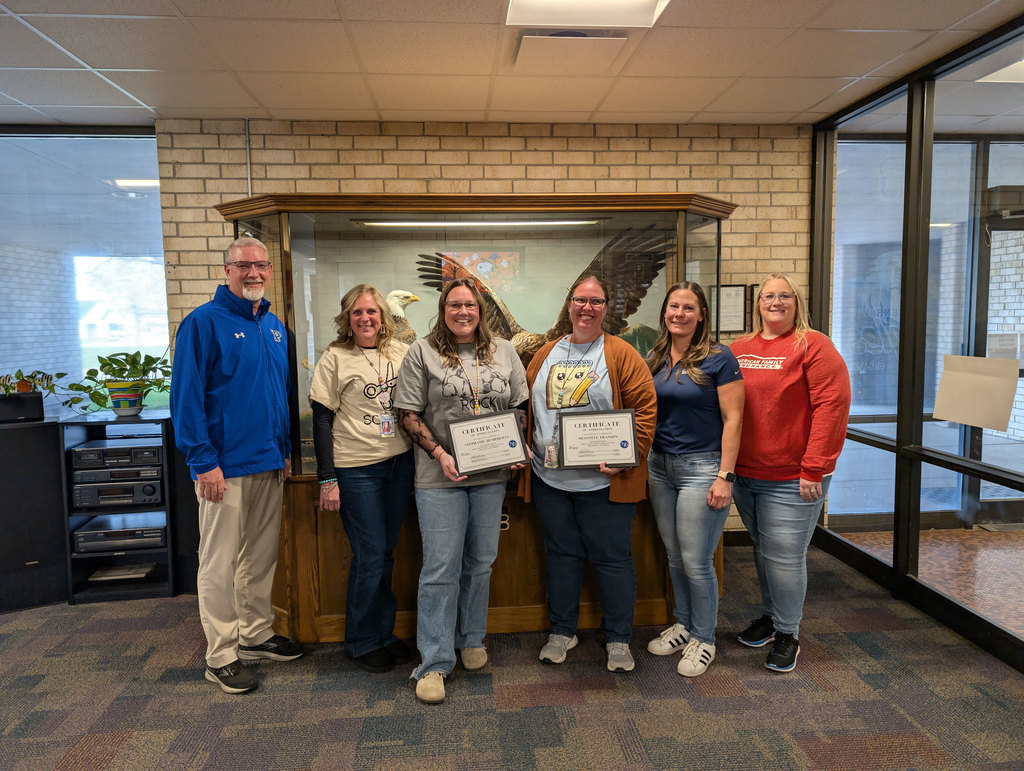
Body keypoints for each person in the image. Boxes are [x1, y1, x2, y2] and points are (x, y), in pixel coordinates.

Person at [171, 236, 304, 695]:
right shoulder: (202, 324)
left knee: (260, 555)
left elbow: (278, 396)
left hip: (269, 462)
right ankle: (221, 654)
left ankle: (255, 634)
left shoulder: (274, 326)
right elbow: (185, 400)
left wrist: (284, 448)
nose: (254, 273)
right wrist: (202, 460)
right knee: (220, 562)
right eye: (244, 266)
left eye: (261, 266)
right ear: (227, 269)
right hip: (222, 469)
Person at [392, 278, 529, 704]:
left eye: (470, 305)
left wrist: (516, 445)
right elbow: (408, 412)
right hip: (441, 477)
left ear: (480, 309)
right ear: (443, 308)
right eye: (455, 305)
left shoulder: (504, 351)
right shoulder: (422, 351)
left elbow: (519, 406)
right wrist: (438, 453)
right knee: (440, 567)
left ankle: (471, 639)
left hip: (491, 477)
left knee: (481, 562)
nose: (463, 312)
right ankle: (433, 662)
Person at [519, 274, 657, 673]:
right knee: (560, 556)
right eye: (580, 300)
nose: (587, 308)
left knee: (612, 559)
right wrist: (520, 440)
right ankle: (562, 631)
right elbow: (528, 406)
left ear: (606, 307)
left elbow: (645, 411)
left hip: (605, 481)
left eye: (596, 301)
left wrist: (629, 457)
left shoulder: (621, 354)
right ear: (569, 305)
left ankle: (617, 639)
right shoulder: (545, 353)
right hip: (551, 480)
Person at [730, 273, 851, 673]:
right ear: (758, 303)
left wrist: (814, 468)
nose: (776, 302)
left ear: (796, 302)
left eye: (784, 296)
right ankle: (770, 618)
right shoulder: (740, 348)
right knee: (764, 551)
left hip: (792, 477)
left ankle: (787, 634)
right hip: (746, 474)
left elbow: (832, 406)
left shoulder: (812, 345)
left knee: (784, 556)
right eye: (768, 296)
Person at [308, 284, 416, 674]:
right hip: (357, 469)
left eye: (372, 312)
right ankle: (361, 640)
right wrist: (327, 479)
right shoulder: (335, 357)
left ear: (383, 316)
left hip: (398, 465)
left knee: (385, 554)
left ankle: (383, 634)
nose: (366, 319)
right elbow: (322, 419)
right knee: (369, 555)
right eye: (357, 313)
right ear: (347, 319)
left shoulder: (400, 352)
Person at [644, 282, 744, 677]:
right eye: (673, 307)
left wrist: (725, 476)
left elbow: (735, 420)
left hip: (703, 468)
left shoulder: (720, 358)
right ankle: (683, 625)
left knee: (697, 560)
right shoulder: (654, 356)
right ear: (664, 312)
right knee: (674, 556)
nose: (679, 314)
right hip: (660, 466)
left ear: (701, 314)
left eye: (689, 308)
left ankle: (704, 638)